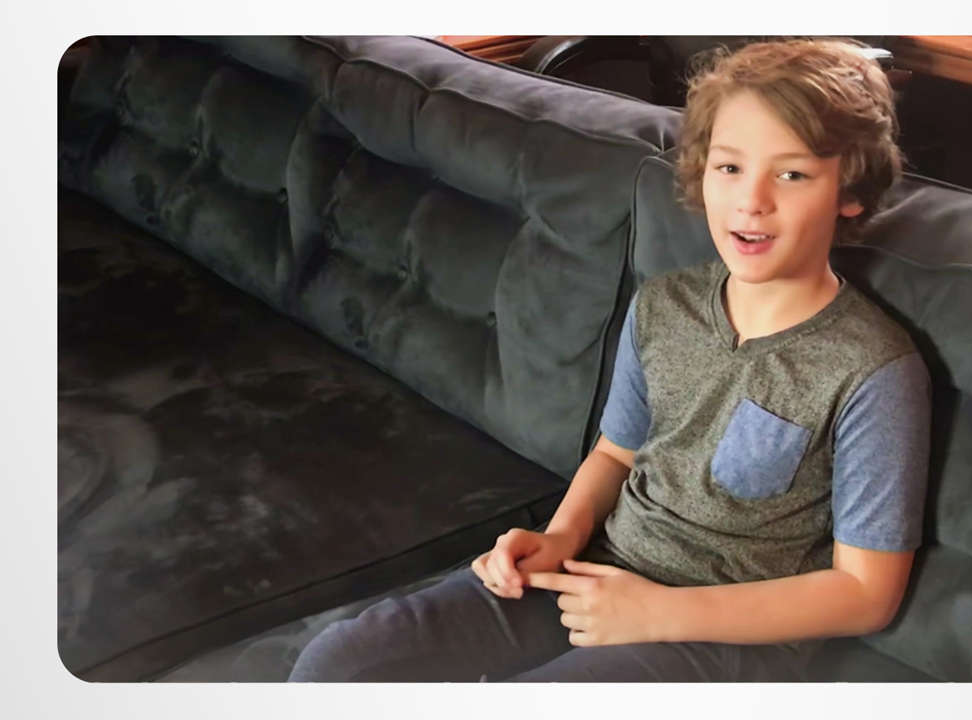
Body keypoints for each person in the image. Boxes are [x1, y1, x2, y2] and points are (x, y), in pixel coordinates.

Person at [288, 37, 931, 683]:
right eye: (730, 167)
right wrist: (559, 538)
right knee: (337, 666)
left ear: (849, 189)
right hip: (600, 571)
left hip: (725, 635)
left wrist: (658, 613)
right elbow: (615, 455)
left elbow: (865, 594)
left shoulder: (874, 369)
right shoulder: (663, 306)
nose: (751, 200)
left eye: (791, 174)